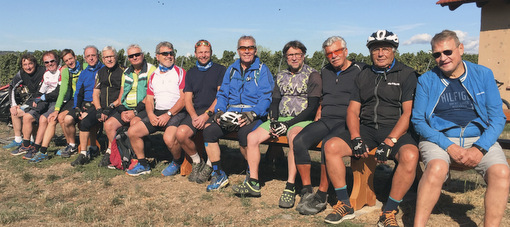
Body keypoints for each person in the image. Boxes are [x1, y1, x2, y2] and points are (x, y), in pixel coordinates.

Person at [412, 30, 510, 227]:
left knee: (501, 172)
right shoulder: (426, 80)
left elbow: (498, 118)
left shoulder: (483, 75)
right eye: (437, 54)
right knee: (436, 167)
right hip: (440, 138)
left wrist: (480, 147)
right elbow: (418, 120)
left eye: (447, 51)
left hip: (478, 138)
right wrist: (449, 146)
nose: (443, 58)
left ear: (461, 49)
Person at [322, 30, 419, 226]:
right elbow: (352, 110)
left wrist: (390, 140)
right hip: (366, 128)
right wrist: (356, 137)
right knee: (331, 146)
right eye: (375, 50)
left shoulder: (406, 74)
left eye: (385, 49)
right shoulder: (363, 74)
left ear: (393, 51)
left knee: (410, 156)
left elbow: (407, 113)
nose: (380, 53)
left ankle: (388, 212)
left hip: (395, 129)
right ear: (370, 52)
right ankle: (345, 203)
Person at [231, 40, 321, 203]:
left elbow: (312, 107)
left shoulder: (313, 75)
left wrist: (287, 125)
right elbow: (274, 101)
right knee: (252, 137)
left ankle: (290, 185)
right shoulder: (280, 75)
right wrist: (273, 121)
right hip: (280, 118)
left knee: (294, 137)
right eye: (290, 55)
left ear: (303, 56)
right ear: (285, 57)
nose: (294, 58)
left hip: (303, 120)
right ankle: (253, 182)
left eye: (297, 54)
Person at [292, 36, 365, 215]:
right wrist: (319, 109)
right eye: (329, 53)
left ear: (345, 51)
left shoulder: (361, 70)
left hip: (347, 121)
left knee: (328, 144)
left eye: (337, 51)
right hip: (326, 119)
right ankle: (307, 189)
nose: (333, 56)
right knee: (299, 140)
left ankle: (322, 194)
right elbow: (323, 96)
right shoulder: (325, 71)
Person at [202, 35, 274, 192]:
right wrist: (219, 112)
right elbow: (222, 94)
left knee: (244, 135)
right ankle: (218, 173)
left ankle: (251, 171)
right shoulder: (231, 69)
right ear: (238, 50)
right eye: (243, 48)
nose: (247, 51)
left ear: (255, 50)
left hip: (253, 113)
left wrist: (252, 114)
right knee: (209, 132)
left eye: (250, 48)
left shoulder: (262, 70)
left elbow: (266, 98)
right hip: (231, 112)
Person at [126, 41, 186, 176]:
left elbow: (183, 99)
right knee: (133, 131)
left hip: (176, 111)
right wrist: (150, 114)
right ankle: (143, 164)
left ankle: (177, 161)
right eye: (165, 53)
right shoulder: (154, 75)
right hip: (158, 111)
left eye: (171, 53)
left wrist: (169, 114)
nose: (169, 56)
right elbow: (149, 99)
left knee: (169, 138)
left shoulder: (180, 72)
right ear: (157, 56)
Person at [175, 40, 226, 183]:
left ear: (211, 52)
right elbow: (187, 98)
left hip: (214, 111)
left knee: (210, 133)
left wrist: (206, 115)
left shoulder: (220, 70)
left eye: (206, 52)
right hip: (195, 112)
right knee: (181, 134)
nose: (203, 55)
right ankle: (197, 161)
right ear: (196, 54)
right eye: (200, 52)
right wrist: (193, 116)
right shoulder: (191, 73)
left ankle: (210, 165)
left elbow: (220, 96)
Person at [99, 44, 156, 167]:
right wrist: (121, 110)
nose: (134, 57)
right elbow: (121, 95)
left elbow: (151, 95)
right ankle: (119, 155)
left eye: (137, 54)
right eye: (131, 56)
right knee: (109, 124)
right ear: (128, 58)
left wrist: (135, 112)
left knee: (134, 123)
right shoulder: (126, 72)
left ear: (142, 55)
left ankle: (136, 157)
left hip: (144, 107)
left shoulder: (151, 70)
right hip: (126, 107)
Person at [29, 49, 87, 162]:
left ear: (75, 57)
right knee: (56, 117)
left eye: (71, 58)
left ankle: (70, 145)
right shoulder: (65, 71)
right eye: (66, 60)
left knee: (60, 118)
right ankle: (49, 149)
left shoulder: (84, 66)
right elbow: (62, 91)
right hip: (72, 99)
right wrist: (56, 110)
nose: (70, 62)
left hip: (85, 99)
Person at [71, 46, 124, 166]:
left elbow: (121, 96)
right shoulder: (100, 73)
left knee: (109, 124)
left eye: (111, 56)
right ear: (103, 59)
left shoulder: (122, 72)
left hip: (115, 106)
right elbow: (96, 92)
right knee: (85, 122)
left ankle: (109, 153)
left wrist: (109, 108)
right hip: (101, 106)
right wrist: (99, 109)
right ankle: (83, 153)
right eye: (106, 57)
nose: (109, 59)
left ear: (115, 57)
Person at [16, 51, 62, 160]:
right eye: (46, 62)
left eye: (52, 61)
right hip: (45, 100)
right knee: (27, 117)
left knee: (43, 119)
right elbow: (41, 91)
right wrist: (37, 99)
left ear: (57, 61)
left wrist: (43, 97)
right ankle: (26, 145)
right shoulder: (46, 74)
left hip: (57, 101)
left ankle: (36, 147)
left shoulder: (62, 71)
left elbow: (58, 92)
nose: (49, 64)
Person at [60, 46, 104, 158]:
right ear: (85, 58)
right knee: (68, 119)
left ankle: (92, 147)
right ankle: (72, 144)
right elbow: (78, 93)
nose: (91, 58)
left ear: (98, 56)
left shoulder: (103, 70)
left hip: (97, 103)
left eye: (93, 55)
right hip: (84, 102)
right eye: (88, 56)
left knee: (87, 119)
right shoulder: (84, 73)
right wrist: (77, 108)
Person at [5, 54, 44, 150]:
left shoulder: (43, 71)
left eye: (30, 63)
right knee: (15, 112)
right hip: (32, 101)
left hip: (44, 100)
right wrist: (13, 105)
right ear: (22, 66)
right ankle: (18, 140)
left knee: (30, 117)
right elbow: (12, 87)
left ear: (35, 63)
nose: (28, 67)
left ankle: (31, 139)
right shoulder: (21, 74)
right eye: (25, 64)